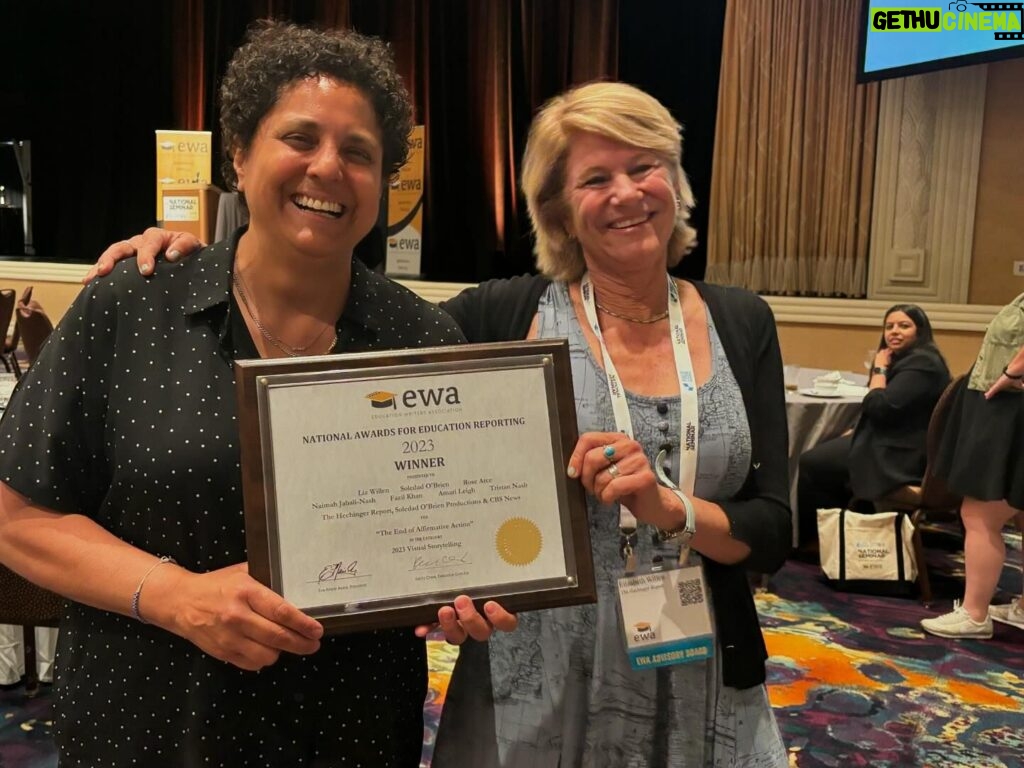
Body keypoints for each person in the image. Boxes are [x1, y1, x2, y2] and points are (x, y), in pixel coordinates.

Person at [94, 81, 792, 766]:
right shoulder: (499, 317)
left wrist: (670, 507)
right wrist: (212, 258)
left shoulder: (741, 320)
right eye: (594, 178)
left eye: (645, 167)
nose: (626, 194)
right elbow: (359, 348)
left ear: (673, 178)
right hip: (535, 678)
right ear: (558, 209)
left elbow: (772, 529)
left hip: (696, 658)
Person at [0, 21, 506, 767]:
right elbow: (17, 517)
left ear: (385, 180)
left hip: (348, 733)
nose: (328, 167)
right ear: (239, 154)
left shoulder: (424, 339)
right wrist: (179, 597)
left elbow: (455, 537)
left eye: (359, 152)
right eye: (300, 138)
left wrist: (470, 589)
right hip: (148, 725)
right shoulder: (132, 305)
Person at [795, 305, 951, 549]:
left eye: (904, 326)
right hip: (898, 443)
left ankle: (814, 542)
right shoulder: (913, 359)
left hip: (900, 456)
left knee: (812, 463)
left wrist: (879, 368)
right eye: (889, 326)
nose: (894, 332)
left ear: (920, 331)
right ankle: (843, 534)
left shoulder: (923, 364)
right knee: (828, 453)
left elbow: (880, 407)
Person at [921, 293, 1024, 639]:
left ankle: (974, 613)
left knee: (980, 514)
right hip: (1010, 409)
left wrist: (1013, 370)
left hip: (1011, 410)